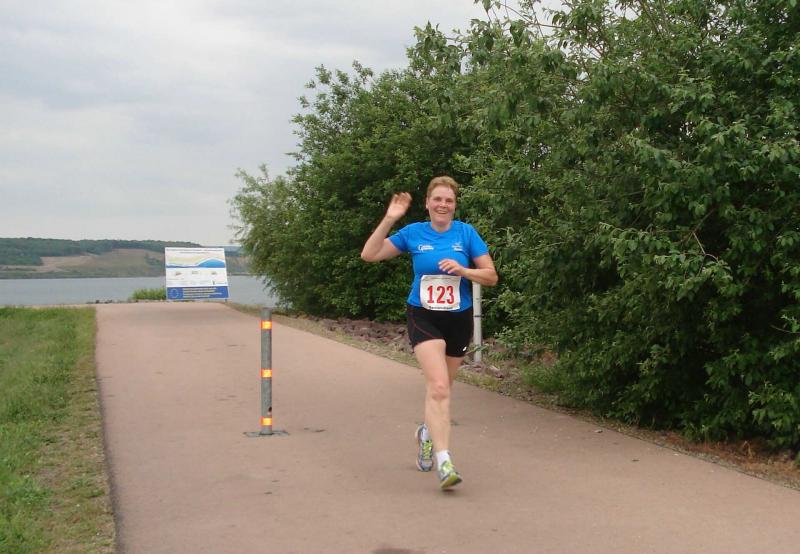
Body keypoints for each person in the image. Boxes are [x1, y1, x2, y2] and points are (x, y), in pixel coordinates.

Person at [360, 175, 498, 489]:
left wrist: (464, 270)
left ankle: (426, 433)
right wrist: (390, 218)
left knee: (443, 388)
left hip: (458, 319)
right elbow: (369, 254)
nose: (443, 205)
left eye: (449, 200)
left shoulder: (466, 233)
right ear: (427, 203)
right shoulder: (413, 233)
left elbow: (491, 276)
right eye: (437, 199)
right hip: (423, 315)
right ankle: (445, 462)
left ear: (455, 205)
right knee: (437, 386)